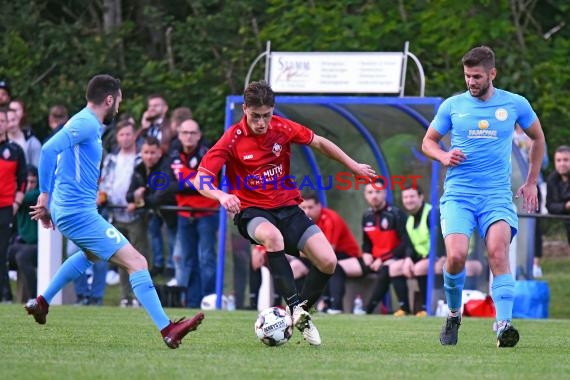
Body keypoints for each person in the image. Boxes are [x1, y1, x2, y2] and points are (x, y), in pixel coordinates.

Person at [24, 74, 204, 349]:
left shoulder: (85, 123)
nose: (119, 107)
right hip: (78, 213)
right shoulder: (85, 123)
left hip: (70, 210)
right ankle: (168, 329)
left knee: (91, 255)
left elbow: (62, 160)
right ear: (109, 99)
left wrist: (54, 205)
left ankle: (42, 301)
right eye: (118, 101)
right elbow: (48, 150)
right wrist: (46, 198)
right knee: (138, 262)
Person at [192, 80, 375, 346]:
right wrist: (221, 195)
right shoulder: (232, 137)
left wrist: (353, 165)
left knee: (328, 261)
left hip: (287, 207)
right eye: (255, 116)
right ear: (244, 109)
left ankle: (298, 313)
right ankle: (295, 308)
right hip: (251, 211)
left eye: (267, 115)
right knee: (272, 237)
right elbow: (200, 178)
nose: (261, 122)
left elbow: (320, 143)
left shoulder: (282, 127)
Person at [422, 46, 545, 347]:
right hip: (459, 196)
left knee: (498, 253)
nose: (471, 82)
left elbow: (538, 138)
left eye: (476, 76)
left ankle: (504, 325)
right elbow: (428, 141)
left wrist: (531, 182)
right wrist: (443, 155)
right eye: (467, 76)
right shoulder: (453, 106)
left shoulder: (515, 104)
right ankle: (453, 314)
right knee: (456, 256)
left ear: (492, 73)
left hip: (496, 196)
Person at [166, 118, 219, 307]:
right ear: (179, 135)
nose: (188, 137)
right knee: (188, 260)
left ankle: (209, 299)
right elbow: (168, 183)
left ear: (199, 135)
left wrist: (184, 178)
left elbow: (205, 183)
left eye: (192, 133)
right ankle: (193, 302)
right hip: (184, 214)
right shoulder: (173, 153)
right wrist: (192, 179)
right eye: (185, 133)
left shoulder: (207, 153)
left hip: (207, 212)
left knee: (206, 258)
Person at [299, 192, 370, 314]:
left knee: (330, 264)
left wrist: (299, 252)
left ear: (319, 206)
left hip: (347, 255)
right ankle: (299, 306)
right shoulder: (303, 222)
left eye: (310, 207)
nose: (307, 212)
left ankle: (335, 307)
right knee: (296, 266)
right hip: (321, 256)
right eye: (303, 208)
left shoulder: (330, 218)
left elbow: (328, 251)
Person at [361, 179, 412, 316]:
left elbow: (405, 243)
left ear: (384, 194)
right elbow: (367, 243)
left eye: (378, 192)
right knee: (341, 267)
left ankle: (368, 310)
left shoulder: (396, 214)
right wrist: (366, 254)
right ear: (365, 195)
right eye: (370, 192)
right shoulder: (366, 216)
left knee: (387, 269)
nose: (374, 196)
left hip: (394, 258)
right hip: (375, 260)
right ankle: (332, 306)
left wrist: (383, 259)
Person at [400, 185, 445, 317]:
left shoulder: (432, 213)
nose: (409, 200)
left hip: (438, 256)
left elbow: (441, 237)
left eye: (412, 196)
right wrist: (408, 258)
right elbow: (408, 244)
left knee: (420, 268)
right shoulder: (409, 220)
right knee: (396, 268)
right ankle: (404, 308)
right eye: (405, 197)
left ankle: (428, 307)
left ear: (421, 197)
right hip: (422, 257)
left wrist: (440, 256)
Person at [0, 107, 27, 303]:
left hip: (6, 207)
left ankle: (5, 294)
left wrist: (16, 203)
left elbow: (23, 180)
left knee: (2, 252)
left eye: (2, 121)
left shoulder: (15, 150)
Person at [8, 165, 40, 302]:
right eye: (27, 182)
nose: (30, 185)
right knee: (6, 251)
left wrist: (17, 194)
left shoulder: (38, 194)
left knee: (22, 257)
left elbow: (23, 198)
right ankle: (6, 296)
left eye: (33, 182)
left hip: (38, 245)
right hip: (23, 242)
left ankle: (34, 297)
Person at [546, 145, 570, 244]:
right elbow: (550, 206)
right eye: (558, 160)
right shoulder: (552, 179)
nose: (562, 164)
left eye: (566, 160)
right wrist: (566, 206)